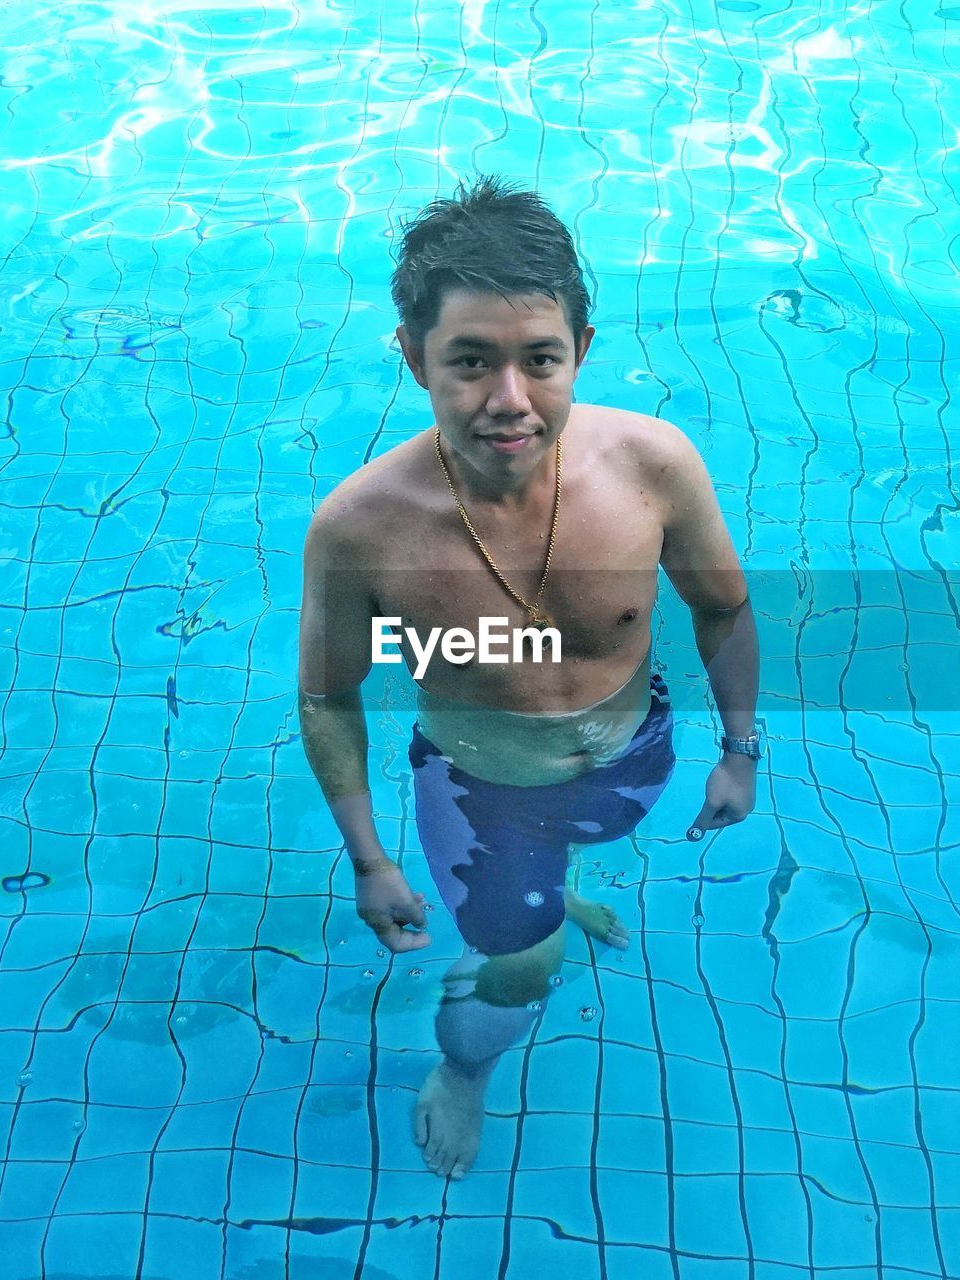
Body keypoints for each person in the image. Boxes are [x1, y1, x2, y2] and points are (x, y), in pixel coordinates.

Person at [297, 175, 760, 1181]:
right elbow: (328, 694)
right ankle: (463, 1070)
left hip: (632, 759)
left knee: (557, 890)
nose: (507, 400)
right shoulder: (360, 527)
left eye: (538, 361)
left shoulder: (651, 464)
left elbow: (720, 605)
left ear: (578, 352)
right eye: (468, 362)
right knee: (521, 962)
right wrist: (371, 858)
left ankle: (555, 887)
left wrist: (737, 748)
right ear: (412, 355)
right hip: (482, 793)